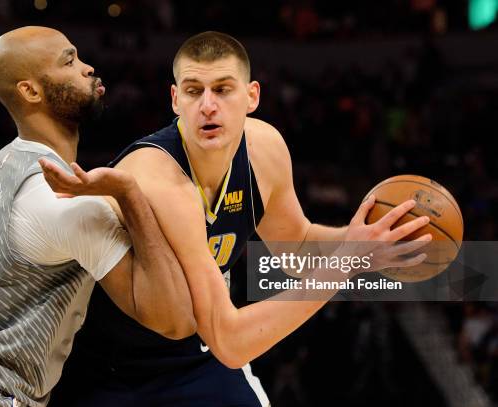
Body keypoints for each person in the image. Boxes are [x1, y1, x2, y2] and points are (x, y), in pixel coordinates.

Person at [44, 31, 432, 406]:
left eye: (223, 89)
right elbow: (229, 342)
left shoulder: (264, 150)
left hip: (193, 357)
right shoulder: (158, 177)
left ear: (252, 96)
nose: (208, 105)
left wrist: (365, 241)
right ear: (176, 100)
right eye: (194, 91)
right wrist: (347, 262)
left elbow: (295, 247)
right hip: (106, 366)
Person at [0, 26, 195, 407]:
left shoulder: (0, 166)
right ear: (30, 91)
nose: (88, 68)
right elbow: (174, 320)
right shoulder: (59, 200)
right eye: (69, 61)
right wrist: (129, 193)